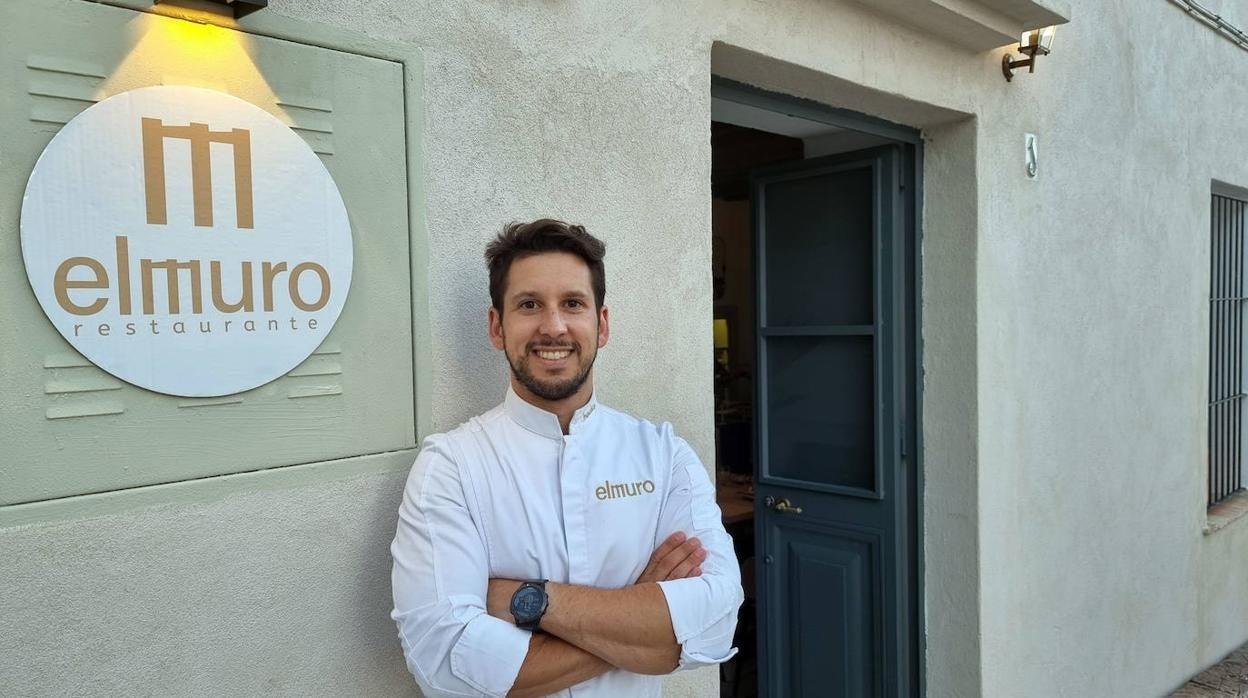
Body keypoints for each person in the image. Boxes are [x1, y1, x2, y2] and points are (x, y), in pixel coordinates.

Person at [390, 219, 744, 697]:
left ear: (601, 324)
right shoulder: (451, 466)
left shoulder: (663, 454)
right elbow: (447, 664)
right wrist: (648, 623)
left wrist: (528, 601)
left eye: (573, 304)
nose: (553, 326)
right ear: (498, 327)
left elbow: (716, 625)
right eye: (529, 304)